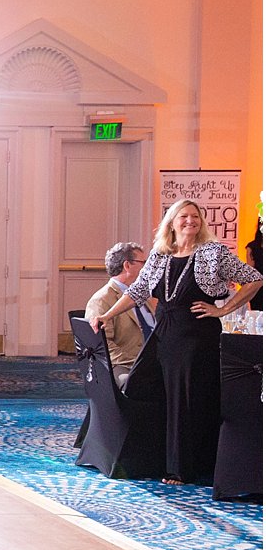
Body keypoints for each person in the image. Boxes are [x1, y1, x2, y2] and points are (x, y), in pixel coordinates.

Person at [88, 199, 262, 486]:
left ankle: (181, 469)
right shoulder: (160, 254)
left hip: (197, 334)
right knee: (141, 387)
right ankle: (147, 458)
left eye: (195, 216)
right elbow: (139, 291)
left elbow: (254, 279)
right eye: (184, 216)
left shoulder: (214, 252)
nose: (190, 221)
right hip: (165, 331)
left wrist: (222, 310)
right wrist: (107, 314)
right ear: (172, 221)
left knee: (185, 401)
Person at [85, 241, 154, 383]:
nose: (148, 267)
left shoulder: (142, 295)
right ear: (127, 265)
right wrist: (138, 362)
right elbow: (103, 346)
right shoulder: (102, 300)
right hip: (123, 365)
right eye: (143, 262)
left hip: (153, 360)